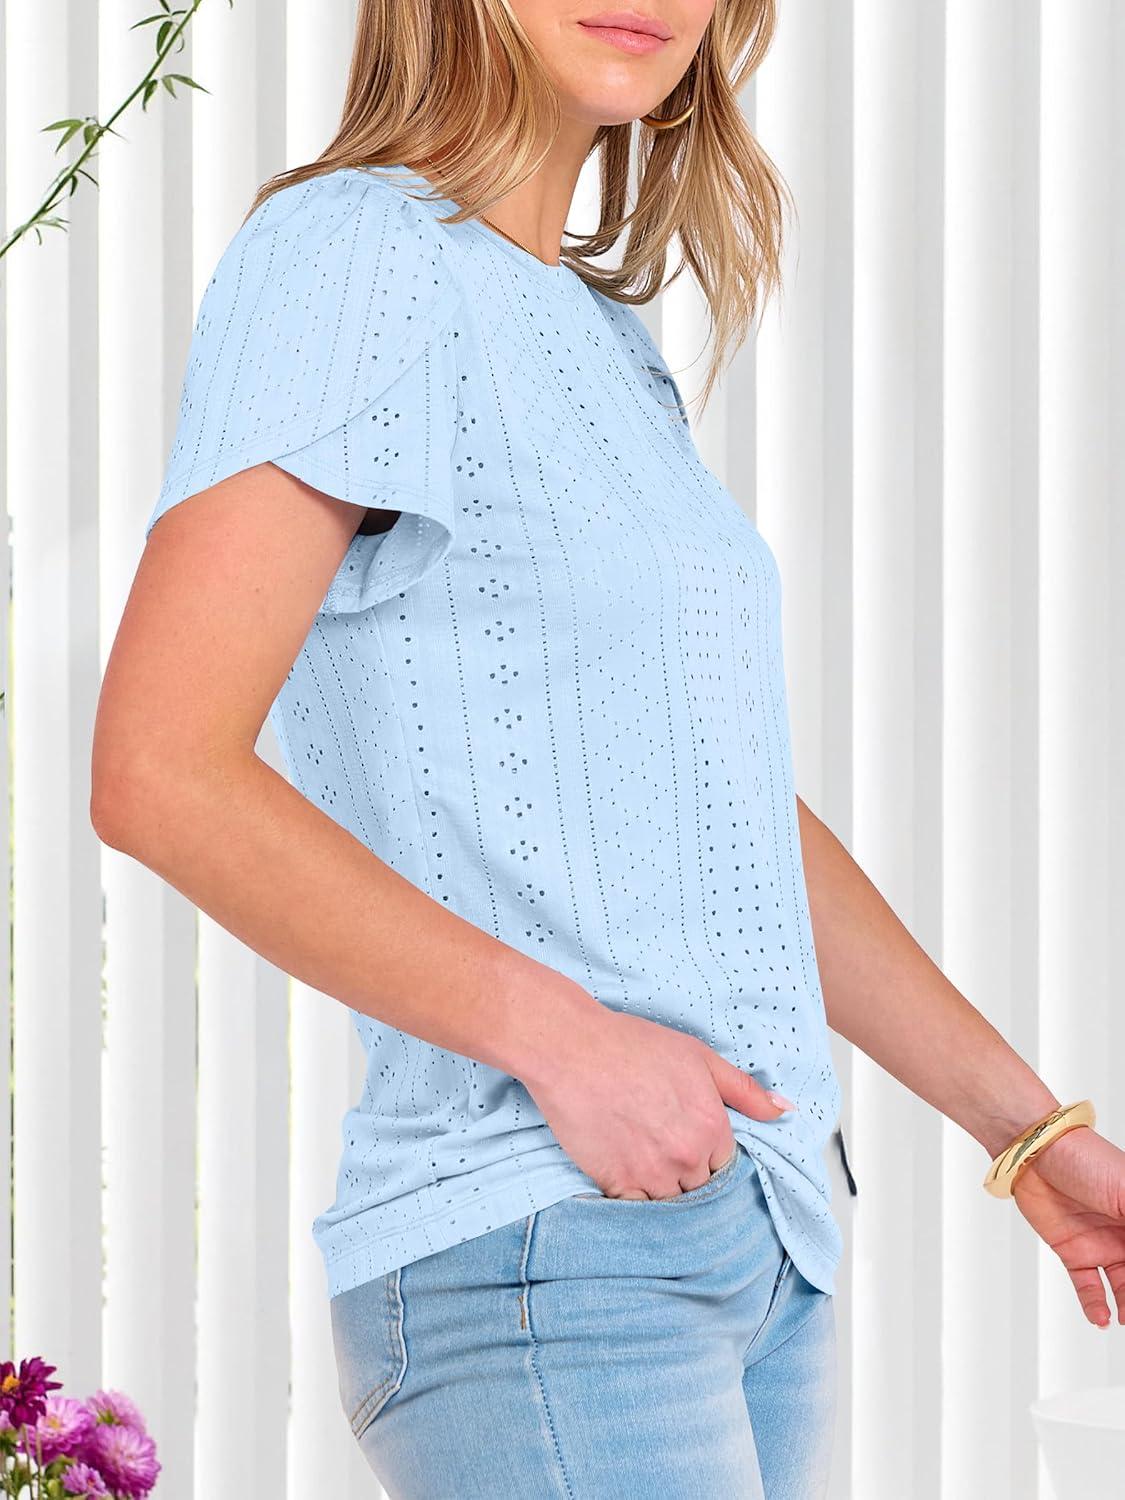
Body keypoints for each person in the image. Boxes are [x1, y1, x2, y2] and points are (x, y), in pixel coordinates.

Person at [91, 2, 1125, 1496]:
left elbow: (723, 819)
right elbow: (160, 769)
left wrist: (1028, 1133)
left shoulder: (592, 333)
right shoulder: (351, 255)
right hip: (544, 1247)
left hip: (752, 1240)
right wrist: (568, 1043)